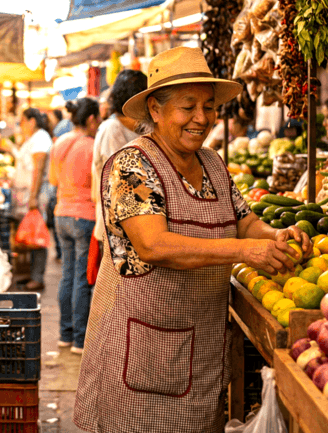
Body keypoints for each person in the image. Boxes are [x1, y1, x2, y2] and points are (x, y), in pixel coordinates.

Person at [74, 47, 311, 433]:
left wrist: (274, 235)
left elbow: (243, 220)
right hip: (141, 352)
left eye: (209, 106)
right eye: (188, 107)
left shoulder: (213, 164)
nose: (202, 118)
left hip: (199, 348)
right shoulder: (133, 165)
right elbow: (154, 245)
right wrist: (246, 251)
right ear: (155, 109)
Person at [49, 97, 101, 355]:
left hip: (61, 214)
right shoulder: (92, 146)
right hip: (84, 216)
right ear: (91, 119)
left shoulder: (60, 142)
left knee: (68, 275)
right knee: (82, 278)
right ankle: (80, 340)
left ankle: (64, 335)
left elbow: (53, 179)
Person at [91, 69, 148, 284]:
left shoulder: (139, 128)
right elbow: (122, 179)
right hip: (118, 228)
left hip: (139, 226)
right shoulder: (112, 129)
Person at [9, 108, 53, 290]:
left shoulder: (41, 138)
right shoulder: (34, 138)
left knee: (37, 234)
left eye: (22, 121)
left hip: (36, 194)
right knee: (30, 234)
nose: (21, 125)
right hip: (27, 193)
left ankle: (37, 276)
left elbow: (38, 168)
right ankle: (30, 273)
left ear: (32, 121)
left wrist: (33, 197)